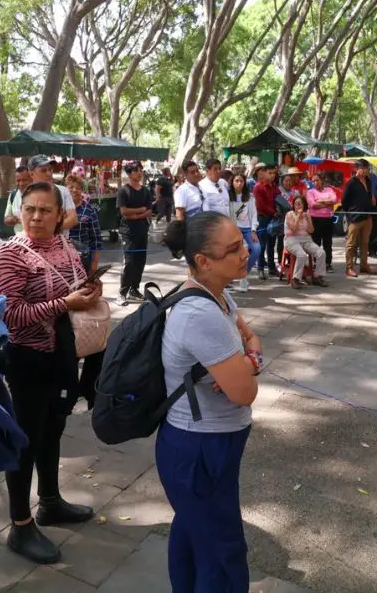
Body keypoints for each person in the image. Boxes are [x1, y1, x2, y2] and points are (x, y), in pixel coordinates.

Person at [0, 182, 103, 564]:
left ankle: (50, 502)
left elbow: (71, 292)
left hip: (62, 356)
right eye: (29, 209)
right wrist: (63, 303)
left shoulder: (64, 246)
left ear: (60, 214)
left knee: (53, 428)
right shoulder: (10, 255)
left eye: (45, 210)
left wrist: (88, 292)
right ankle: (20, 526)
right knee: (24, 441)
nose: (36, 216)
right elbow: (9, 315)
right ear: (20, 212)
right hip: (27, 359)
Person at [158, 212, 260, 593]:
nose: (245, 251)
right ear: (203, 261)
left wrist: (249, 358)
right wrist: (251, 360)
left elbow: (250, 336)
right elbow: (245, 392)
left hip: (204, 443)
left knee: (194, 534)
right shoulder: (201, 312)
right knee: (222, 550)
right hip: (200, 448)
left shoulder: (216, 293)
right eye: (233, 249)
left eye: (242, 241)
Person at [117, 161, 155, 304]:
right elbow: (124, 211)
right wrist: (140, 210)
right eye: (136, 170)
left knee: (140, 261)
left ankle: (134, 289)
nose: (140, 173)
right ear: (129, 173)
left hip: (142, 230)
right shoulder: (124, 191)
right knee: (129, 262)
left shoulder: (145, 191)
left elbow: (150, 210)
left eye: (141, 170)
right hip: (128, 232)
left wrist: (136, 216)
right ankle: (122, 292)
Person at [341, 159, 377, 278]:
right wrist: (350, 215)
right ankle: (349, 267)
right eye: (367, 168)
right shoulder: (351, 182)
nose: (369, 171)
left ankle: (364, 265)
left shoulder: (368, 181)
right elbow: (344, 201)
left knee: (365, 243)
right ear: (360, 168)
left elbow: (370, 196)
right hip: (355, 218)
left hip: (367, 216)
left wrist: (372, 199)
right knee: (351, 243)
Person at [283, 196, 328, 289]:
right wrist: (298, 216)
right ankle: (295, 279)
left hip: (305, 239)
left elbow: (311, 230)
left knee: (321, 253)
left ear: (304, 205)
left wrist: (308, 219)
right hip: (292, 240)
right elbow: (294, 230)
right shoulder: (289, 215)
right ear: (293, 205)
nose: (298, 205)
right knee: (302, 255)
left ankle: (318, 276)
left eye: (300, 203)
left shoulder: (307, 215)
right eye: (296, 203)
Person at [27, 156, 78, 232]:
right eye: (43, 171)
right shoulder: (27, 194)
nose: (48, 173)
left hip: (61, 241)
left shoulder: (63, 191)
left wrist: (51, 230)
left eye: (50, 170)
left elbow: (73, 219)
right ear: (31, 174)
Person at [68, 176, 104, 277]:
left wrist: (94, 263)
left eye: (78, 188)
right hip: (63, 257)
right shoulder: (60, 209)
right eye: (71, 187)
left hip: (83, 257)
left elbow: (97, 238)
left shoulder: (89, 210)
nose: (74, 190)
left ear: (82, 191)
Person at [229, 172, 259, 291]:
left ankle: (243, 274)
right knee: (236, 253)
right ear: (232, 182)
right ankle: (232, 278)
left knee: (256, 249)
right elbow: (229, 214)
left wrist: (253, 230)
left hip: (248, 229)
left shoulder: (250, 197)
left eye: (241, 181)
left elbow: (254, 214)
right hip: (234, 229)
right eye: (236, 181)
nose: (239, 183)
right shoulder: (228, 196)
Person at [251, 165, 279, 280]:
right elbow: (260, 205)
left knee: (272, 243)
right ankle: (261, 268)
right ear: (264, 173)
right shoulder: (258, 187)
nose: (272, 175)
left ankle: (272, 268)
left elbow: (279, 199)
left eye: (274, 173)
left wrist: (278, 211)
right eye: (270, 173)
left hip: (274, 217)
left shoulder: (274, 186)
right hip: (263, 218)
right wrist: (274, 212)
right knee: (262, 244)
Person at [306, 172, 338, 272]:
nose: (315, 182)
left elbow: (334, 199)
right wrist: (327, 203)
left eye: (317, 180)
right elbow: (312, 205)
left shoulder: (329, 190)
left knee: (328, 243)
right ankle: (316, 262)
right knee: (316, 242)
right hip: (315, 220)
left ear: (322, 180)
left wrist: (320, 201)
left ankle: (328, 263)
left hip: (328, 220)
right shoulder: (310, 192)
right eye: (313, 181)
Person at [3, 163, 31, 235]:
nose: (21, 183)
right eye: (18, 180)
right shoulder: (13, 195)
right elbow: (6, 219)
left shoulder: (39, 195)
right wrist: (13, 220)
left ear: (31, 179)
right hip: (19, 238)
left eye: (24, 180)